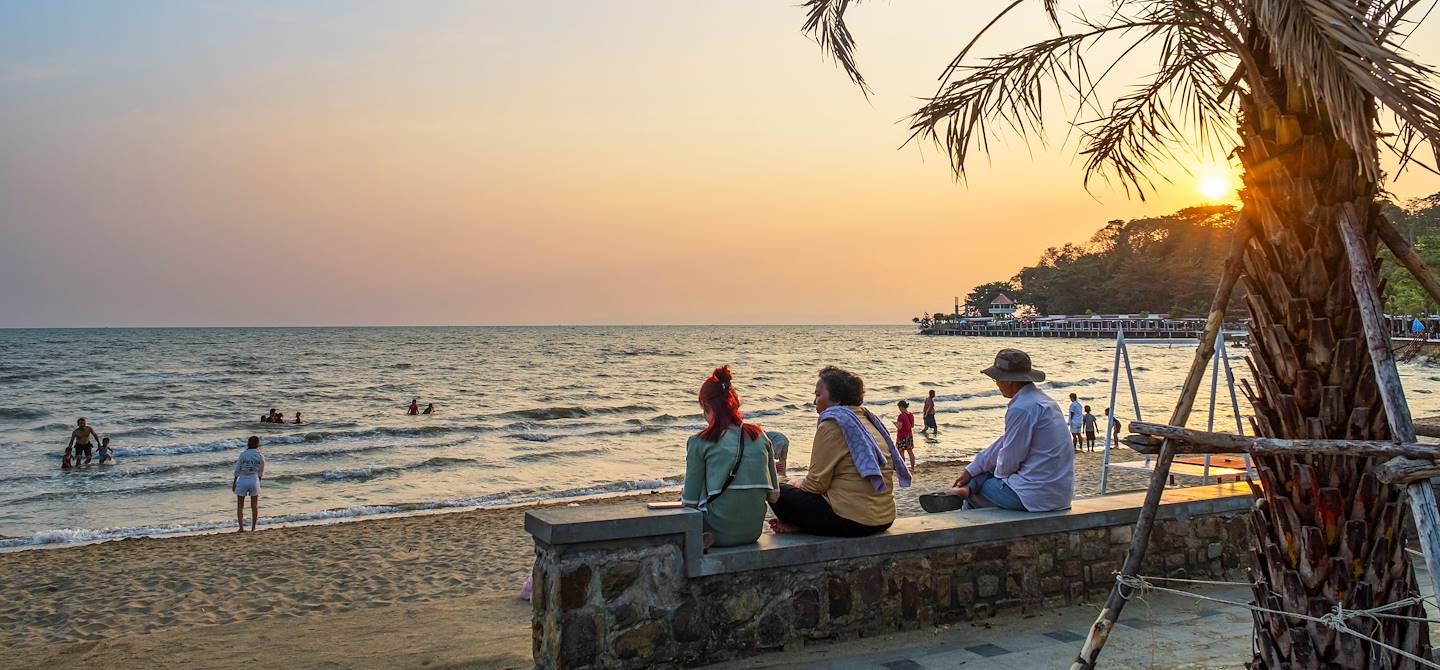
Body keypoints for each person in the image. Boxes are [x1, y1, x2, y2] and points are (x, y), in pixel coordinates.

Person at [768, 366, 911, 537]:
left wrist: (795, 484)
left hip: (852, 521)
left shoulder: (832, 424)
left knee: (775, 489)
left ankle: (801, 524)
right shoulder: (868, 420)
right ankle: (801, 526)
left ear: (836, 399)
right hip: (885, 518)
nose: (814, 402)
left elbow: (815, 485)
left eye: (818, 395)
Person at [928, 349, 1073, 513]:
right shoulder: (1045, 402)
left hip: (1035, 496)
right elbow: (1004, 443)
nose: (996, 384)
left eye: (996, 379)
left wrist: (981, 476)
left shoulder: (1021, 408)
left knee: (975, 494)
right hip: (1059, 493)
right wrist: (972, 469)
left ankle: (965, 496)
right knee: (985, 471)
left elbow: (1009, 460)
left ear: (1009, 381)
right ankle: (965, 490)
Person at [679, 366, 778, 547]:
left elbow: (690, 504)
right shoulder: (760, 436)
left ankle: (704, 539)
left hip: (715, 531)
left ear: (707, 406)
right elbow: (774, 496)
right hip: (753, 532)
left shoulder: (699, 441)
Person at [232, 436, 266, 532]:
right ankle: (253, 527)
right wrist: (259, 480)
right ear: (257, 444)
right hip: (254, 479)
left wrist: (235, 481)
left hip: (243, 479)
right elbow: (261, 470)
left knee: (240, 506)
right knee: (254, 505)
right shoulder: (260, 455)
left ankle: (241, 528)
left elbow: (238, 469)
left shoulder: (243, 454)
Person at [893, 400, 916, 470]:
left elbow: (899, 427)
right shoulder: (911, 415)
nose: (899, 409)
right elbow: (912, 426)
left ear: (901, 407)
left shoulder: (901, 416)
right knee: (910, 451)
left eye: (899, 407)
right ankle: (912, 468)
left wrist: (895, 424)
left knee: (901, 452)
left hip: (902, 436)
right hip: (909, 436)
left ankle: (903, 468)